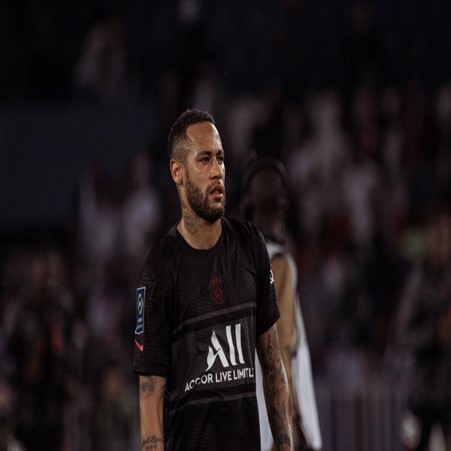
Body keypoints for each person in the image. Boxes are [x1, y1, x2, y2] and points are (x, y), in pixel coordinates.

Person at [133, 109, 293, 450]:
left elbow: (272, 365)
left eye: (220, 158)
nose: (217, 171)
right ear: (177, 172)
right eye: (204, 159)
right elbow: (150, 392)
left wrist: (285, 444)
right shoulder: (160, 269)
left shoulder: (250, 245)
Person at [241, 157, 322, 450]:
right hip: (273, 420)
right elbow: (281, 345)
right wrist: (290, 421)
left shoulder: (235, 264)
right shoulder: (280, 262)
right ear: (283, 207)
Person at [393, 208, 451, 451]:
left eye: (447, 238)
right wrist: (434, 333)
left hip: (448, 390)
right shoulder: (416, 281)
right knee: (409, 443)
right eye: (439, 238)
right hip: (417, 393)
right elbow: (401, 335)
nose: (444, 245)